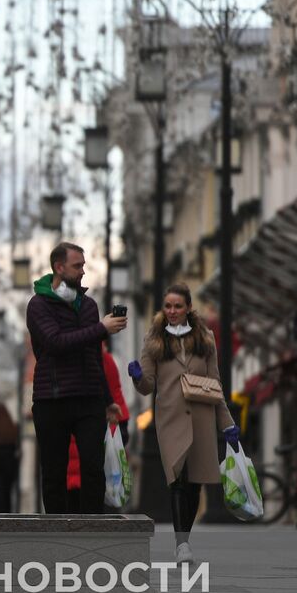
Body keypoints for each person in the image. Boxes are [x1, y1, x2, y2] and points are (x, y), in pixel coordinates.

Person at [128, 283, 239, 563]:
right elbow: (148, 386)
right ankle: (181, 546)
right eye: (168, 306)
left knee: (195, 483)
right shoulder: (154, 339)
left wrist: (227, 423)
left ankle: (184, 538)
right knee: (177, 478)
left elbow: (214, 384)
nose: (173, 311)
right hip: (170, 418)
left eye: (178, 306)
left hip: (202, 417)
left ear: (188, 307)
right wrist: (138, 377)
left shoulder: (206, 338)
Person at [27, 241, 127, 514]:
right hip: (52, 399)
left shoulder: (88, 305)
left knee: (94, 468)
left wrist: (107, 400)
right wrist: (101, 328)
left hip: (88, 398)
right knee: (54, 473)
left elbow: (94, 356)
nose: (83, 271)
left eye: (83, 265)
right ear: (59, 267)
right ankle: (57, 535)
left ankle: (92, 530)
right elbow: (55, 343)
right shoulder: (39, 305)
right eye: (77, 265)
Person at [64, 339, 131, 512]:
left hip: (76, 439)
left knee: (74, 505)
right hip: (97, 438)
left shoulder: (62, 359)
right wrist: (120, 429)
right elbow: (116, 396)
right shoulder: (104, 359)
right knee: (98, 501)